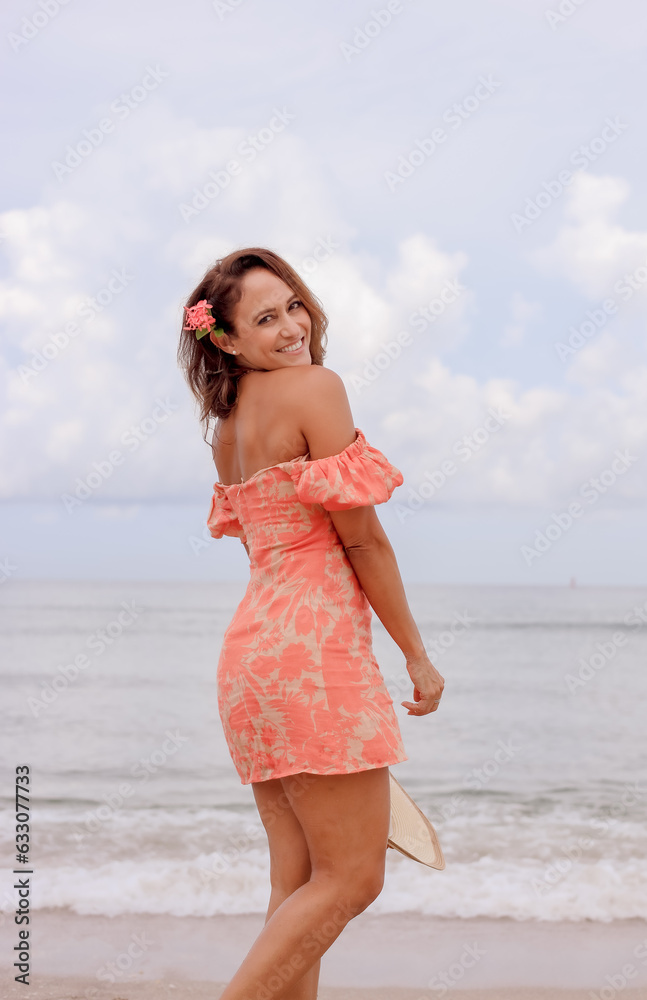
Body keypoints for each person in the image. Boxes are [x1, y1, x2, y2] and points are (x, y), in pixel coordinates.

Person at [177, 247, 444, 1000]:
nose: (293, 326)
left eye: (293, 304)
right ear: (225, 338)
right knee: (353, 879)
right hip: (313, 659)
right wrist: (416, 656)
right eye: (266, 318)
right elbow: (362, 540)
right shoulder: (316, 388)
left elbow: (271, 551)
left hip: (252, 665)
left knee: (297, 886)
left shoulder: (228, 427)